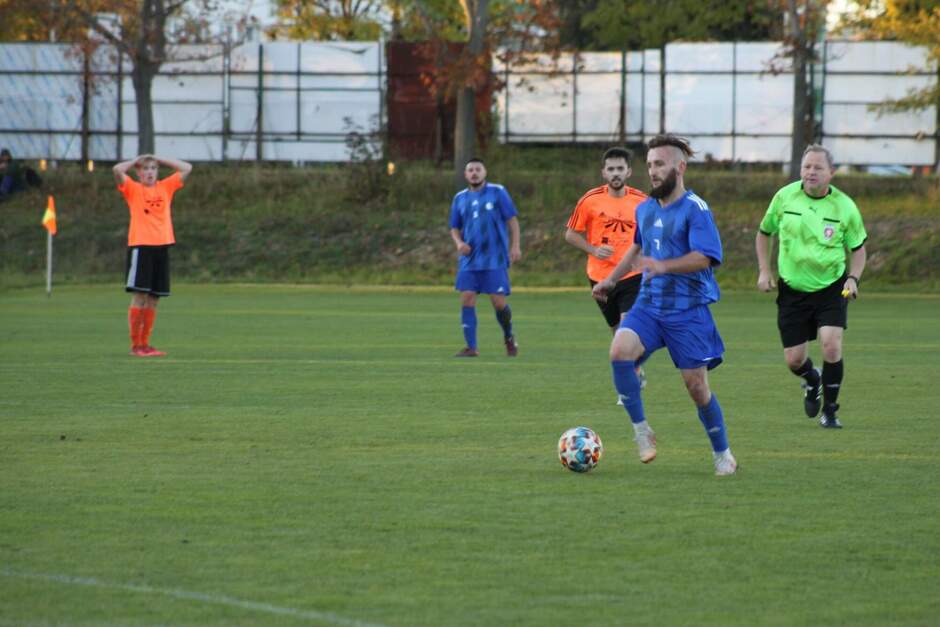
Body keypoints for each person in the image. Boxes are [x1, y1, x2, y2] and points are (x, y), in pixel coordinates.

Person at [592, 135, 736, 476]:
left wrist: (664, 266)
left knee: (697, 388)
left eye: (659, 164)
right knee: (619, 351)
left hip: (688, 310)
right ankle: (642, 431)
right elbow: (636, 247)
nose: (653, 171)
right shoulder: (645, 208)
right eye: (649, 165)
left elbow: (706, 257)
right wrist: (611, 280)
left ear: (680, 167)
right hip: (650, 304)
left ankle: (723, 454)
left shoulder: (695, 209)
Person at [756, 144, 868, 429]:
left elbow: (858, 249)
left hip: (831, 287)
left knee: (831, 345)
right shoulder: (784, 197)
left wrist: (853, 278)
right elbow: (764, 233)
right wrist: (765, 270)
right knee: (794, 360)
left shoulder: (844, 206)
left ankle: (830, 412)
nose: (811, 172)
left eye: (818, 167)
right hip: (792, 289)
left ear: (831, 173)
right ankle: (812, 379)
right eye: (807, 166)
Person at [565, 146, 649, 394]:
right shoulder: (590, 200)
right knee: (616, 332)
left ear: (629, 172)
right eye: (611, 169)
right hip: (599, 277)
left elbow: (653, 233)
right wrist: (592, 249)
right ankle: (635, 368)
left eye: (620, 168)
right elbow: (570, 234)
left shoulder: (642, 201)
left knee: (626, 330)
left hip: (632, 275)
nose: (615, 173)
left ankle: (629, 387)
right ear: (603, 173)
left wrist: (644, 256)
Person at [113, 153, 193, 357]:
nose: (149, 172)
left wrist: (159, 158)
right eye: (145, 169)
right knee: (140, 296)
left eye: (153, 168)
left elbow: (187, 167)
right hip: (141, 246)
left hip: (162, 246)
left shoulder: (165, 187)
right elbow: (117, 170)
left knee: (154, 298)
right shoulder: (133, 189)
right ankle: (136, 345)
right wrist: (137, 160)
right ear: (138, 173)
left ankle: (146, 344)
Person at [449, 157, 522, 357]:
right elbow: (454, 227)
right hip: (469, 259)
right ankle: (471, 347)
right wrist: (459, 243)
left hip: (494, 259)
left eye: (478, 169)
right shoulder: (459, 198)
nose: (474, 173)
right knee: (467, 298)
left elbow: (512, 221)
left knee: (498, 302)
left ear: (484, 172)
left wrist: (515, 246)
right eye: (470, 170)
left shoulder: (497, 192)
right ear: (465, 174)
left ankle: (509, 336)